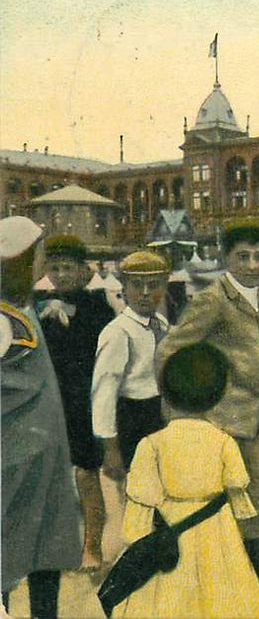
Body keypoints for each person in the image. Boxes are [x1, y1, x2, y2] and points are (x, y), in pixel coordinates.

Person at [156, 221, 259, 602]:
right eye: (242, 256)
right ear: (226, 258)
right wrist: (186, 410)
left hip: (253, 415)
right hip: (222, 418)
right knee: (228, 502)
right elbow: (170, 351)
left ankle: (253, 579)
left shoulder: (257, 297)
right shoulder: (213, 299)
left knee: (258, 499)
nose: (252, 265)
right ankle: (237, 584)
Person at [111, 342, 259, 618]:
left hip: (169, 526)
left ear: (166, 394)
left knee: (166, 594)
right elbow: (237, 488)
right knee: (222, 589)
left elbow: (141, 498)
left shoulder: (151, 444)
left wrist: (136, 538)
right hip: (216, 527)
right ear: (217, 396)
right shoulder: (224, 442)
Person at [0, 217, 82, 619]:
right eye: (39, 255)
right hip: (17, 459)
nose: (44, 263)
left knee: (45, 543)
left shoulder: (22, 308)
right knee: (12, 544)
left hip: (39, 456)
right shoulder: (4, 319)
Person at [34, 234, 116, 570]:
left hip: (83, 402)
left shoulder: (98, 306)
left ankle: (92, 547)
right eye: (55, 268)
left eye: (68, 268)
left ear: (83, 270)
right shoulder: (36, 304)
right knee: (48, 476)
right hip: (47, 401)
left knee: (86, 473)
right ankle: (52, 549)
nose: (62, 275)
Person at [92, 251, 171, 482]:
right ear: (124, 288)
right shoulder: (118, 332)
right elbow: (104, 392)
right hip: (133, 417)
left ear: (164, 286)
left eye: (153, 285)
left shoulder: (162, 324)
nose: (145, 293)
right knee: (139, 486)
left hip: (161, 414)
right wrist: (110, 448)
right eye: (136, 285)